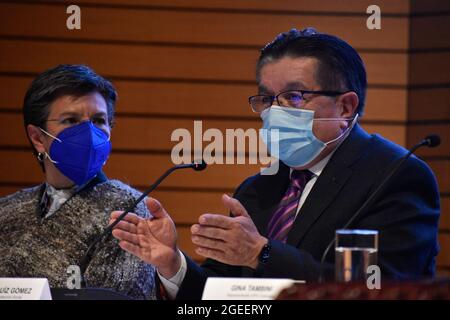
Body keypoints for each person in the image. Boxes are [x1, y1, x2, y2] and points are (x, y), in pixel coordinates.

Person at [109, 28, 440, 299]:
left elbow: (381, 289)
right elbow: (224, 296)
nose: (275, 111)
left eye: (294, 97)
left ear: (345, 107)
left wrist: (261, 254)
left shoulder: (396, 175)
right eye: (267, 99)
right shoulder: (260, 187)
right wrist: (173, 265)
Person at [0, 64, 157, 299]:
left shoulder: (128, 209)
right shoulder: (7, 211)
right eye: (71, 120)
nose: (88, 134)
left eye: (98, 120)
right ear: (38, 138)